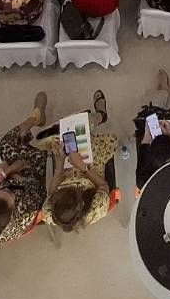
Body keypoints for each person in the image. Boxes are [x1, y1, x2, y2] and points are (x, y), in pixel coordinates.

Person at [0, 93, 50, 244]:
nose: (7, 191)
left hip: (7, 176)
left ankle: (35, 118)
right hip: (28, 182)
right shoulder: (25, 212)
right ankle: (35, 120)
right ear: (13, 208)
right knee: (28, 157)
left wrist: (6, 172)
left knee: (6, 144)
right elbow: (35, 185)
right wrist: (13, 172)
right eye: (9, 195)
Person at [43, 95, 117, 233]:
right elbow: (103, 186)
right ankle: (100, 115)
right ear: (81, 202)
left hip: (65, 168)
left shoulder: (49, 213)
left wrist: (59, 164)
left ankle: (88, 120)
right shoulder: (97, 207)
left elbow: (51, 192)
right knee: (86, 131)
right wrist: (83, 167)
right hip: (91, 169)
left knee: (59, 139)